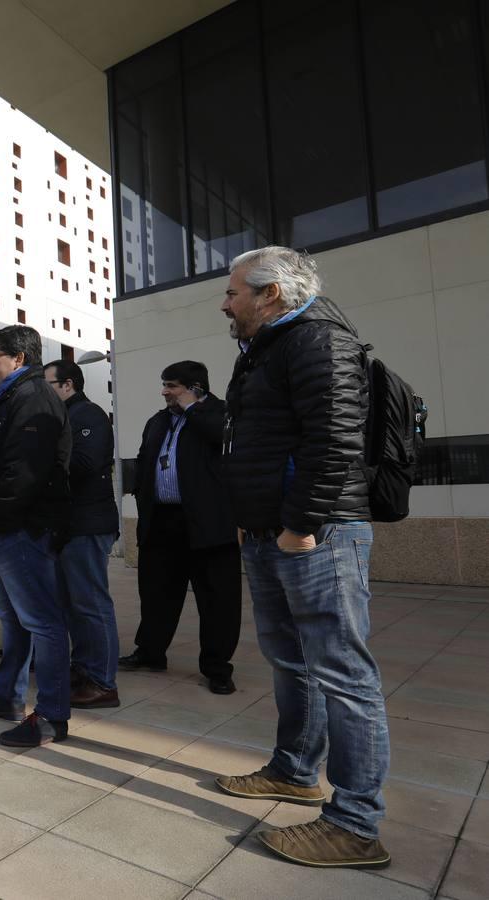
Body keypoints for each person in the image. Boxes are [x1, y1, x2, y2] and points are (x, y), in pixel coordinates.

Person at [214, 246, 391, 869]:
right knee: (291, 660)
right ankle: (294, 770)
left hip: (316, 534)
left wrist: (298, 525)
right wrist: (254, 522)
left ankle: (355, 825)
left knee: (344, 673)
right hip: (270, 533)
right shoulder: (268, 348)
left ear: (272, 294)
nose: (226, 301)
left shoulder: (318, 341)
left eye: (235, 291)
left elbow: (335, 439)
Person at [0, 326, 72, 747]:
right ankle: (7, 696)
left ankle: (52, 716)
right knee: (14, 618)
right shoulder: (12, 396)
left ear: (18, 360)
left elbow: (24, 471)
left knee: (43, 621)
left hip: (22, 527)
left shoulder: (33, 397)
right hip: (7, 525)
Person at [119, 361, 240, 695]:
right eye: (165, 384)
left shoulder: (221, 413)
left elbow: (221, 437)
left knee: (217, 600)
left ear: (194, 388)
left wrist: (192, 409)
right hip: (162, 521)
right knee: (156, 593)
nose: (164, 392)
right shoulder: (158, 421)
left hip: (208, 523)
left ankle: (217, 668)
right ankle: (151, 653)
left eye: (171, 386)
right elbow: (145, 462)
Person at [43, 360, 121, 709]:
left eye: (49, 385)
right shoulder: (64, 418)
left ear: (68, 385)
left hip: (88, 523)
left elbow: (85, 464)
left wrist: (40, 456)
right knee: (73, 604)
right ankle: (84, 669)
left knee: (91, 604)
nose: (43, 393)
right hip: (68, 525)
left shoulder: (88, 415)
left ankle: (103, 683)